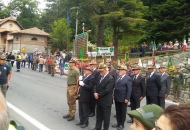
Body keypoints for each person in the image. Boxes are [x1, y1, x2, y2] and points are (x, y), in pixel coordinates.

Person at [92, 63, 115, 130]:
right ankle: (97, 127)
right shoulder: (99, 76)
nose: (100, 72)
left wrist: (98, 94)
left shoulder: (110, 78)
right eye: (99, 71)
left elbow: (107, 90)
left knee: (106, 117)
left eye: (101, 71)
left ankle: (105, 128)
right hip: (98, 100)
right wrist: (95, 92)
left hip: (106, 101)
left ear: (105, 70)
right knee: (98, 115)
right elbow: (95, 85)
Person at [112, 65, 132, 130]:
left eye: (121, 70)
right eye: (119, 69)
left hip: (123, 98)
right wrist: (113, 95)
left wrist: (127, 98)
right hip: (117, 97)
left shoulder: (128, 78)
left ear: (125, 71)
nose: (120, 71)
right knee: (117, 111)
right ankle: (118, 122)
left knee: (123, 112)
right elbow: (115, 87)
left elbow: (129, 89)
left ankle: (121, 124)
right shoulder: (118, 77)